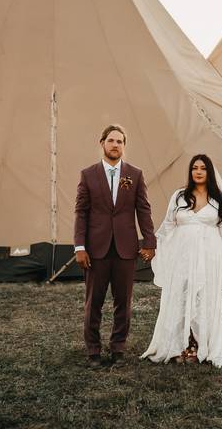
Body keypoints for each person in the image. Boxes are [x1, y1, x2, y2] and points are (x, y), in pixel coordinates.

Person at [141, 154, 222, 367]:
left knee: (204, 298)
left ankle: (199, 345)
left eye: (203, 168)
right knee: (181, 297)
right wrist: (153, 246)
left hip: (210, 257)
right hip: (182, 258)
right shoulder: (179, 197)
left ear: (209, 172)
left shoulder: (217, 199)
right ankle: (178, 345)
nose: (198, 171)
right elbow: (167, 226)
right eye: (194, 168)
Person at [74, 124, 157, 368]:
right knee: (94, 302)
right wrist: (79, 246)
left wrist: (149, 241)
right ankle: (93, 351)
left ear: (124, 146)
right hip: (95, 250)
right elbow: (81, 212)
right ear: (102, 143)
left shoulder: (135, 174)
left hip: (125, 249)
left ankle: (118, 349)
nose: (115, 145)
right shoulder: (88, 175)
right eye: (111, 140)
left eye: (120, 141)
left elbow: (143, 209)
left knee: (124, 302)